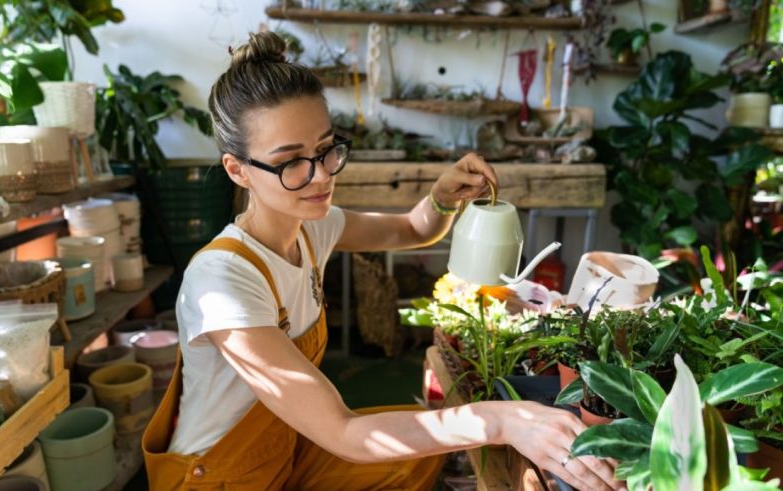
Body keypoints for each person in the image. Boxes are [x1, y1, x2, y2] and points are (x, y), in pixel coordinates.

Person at [142, 31, 623, 491]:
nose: (319, 177)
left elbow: (414, 229)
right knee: (413, 437)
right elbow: (344, 433)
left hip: (288, 446)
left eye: (327, 150)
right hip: (221, 475)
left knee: (421, 450)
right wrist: (502, 420)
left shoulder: (314, 227)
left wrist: (442, 196)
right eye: (291, 162)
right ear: (237, 170)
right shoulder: (221, 281)